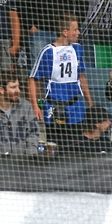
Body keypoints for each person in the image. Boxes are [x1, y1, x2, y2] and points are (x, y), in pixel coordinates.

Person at [29, 15, 94, 144]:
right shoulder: (48, 51)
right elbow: (32, 78)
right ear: (65, 32)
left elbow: (81, 76)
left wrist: (90, 102)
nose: (78, 33)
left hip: (75, 107)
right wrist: (35, 105)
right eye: (75, 29)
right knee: (55, 145)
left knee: (76, 145)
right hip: (54, 107)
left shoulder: (78, 49)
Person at [0, 74, 41, 155]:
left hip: (22, 163)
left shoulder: (26, 107)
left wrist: (30, 156)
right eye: (13, 87)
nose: (18, 90)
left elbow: (33, 133)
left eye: (18, 87)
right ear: (1, 90)